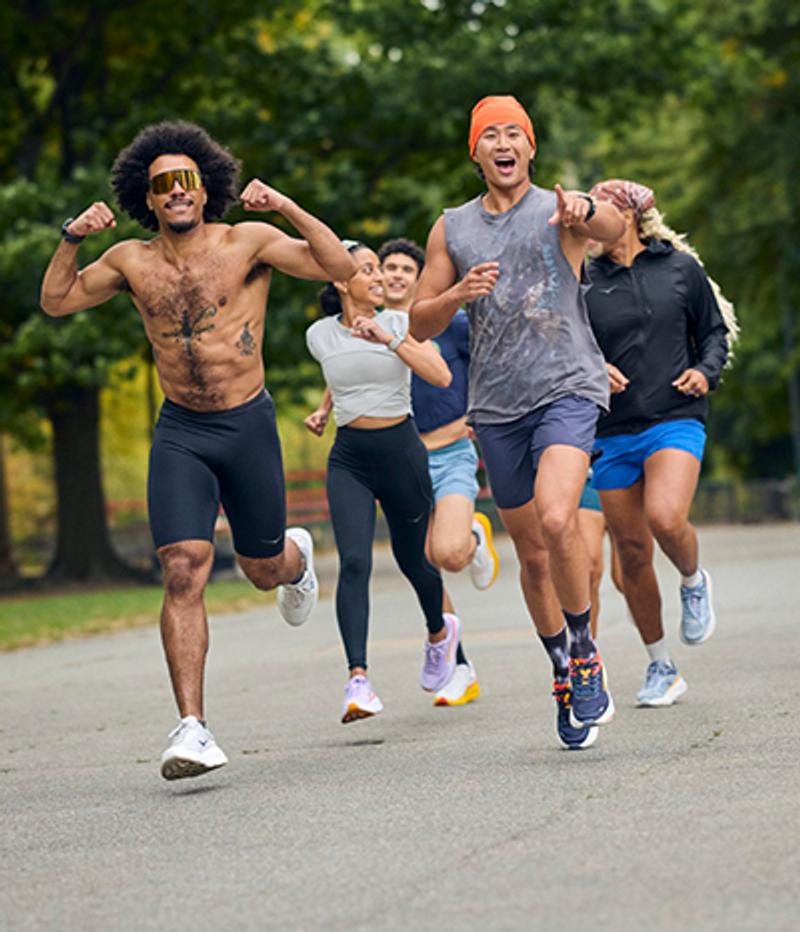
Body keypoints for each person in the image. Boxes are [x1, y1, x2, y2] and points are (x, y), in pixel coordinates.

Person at [40, 121, 357, 780]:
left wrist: (286, 205)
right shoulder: (130, 260)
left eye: (186, 179)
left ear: (206, 188)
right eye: (162, 185)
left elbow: (341, 267)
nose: (176, 191)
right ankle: (193, 727)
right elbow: (57, 301)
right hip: (182, 431)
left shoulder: (248, 242)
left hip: (247, 426)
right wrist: (72, 237)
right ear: (148, 198)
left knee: (261, 568)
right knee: (183, 568)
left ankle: (295, 560)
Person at [410, 95, 626, 750]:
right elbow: (418, 321)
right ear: (475, 152)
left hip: (567, 385)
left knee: (559, 519)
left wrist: (585, 210)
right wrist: (456, 294)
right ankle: (561, 668)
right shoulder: (452, 228)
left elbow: (614, 225)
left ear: (530, 147)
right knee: (532, 555)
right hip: (497, 405)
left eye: (514, 134)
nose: (503, 144)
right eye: (491, 136)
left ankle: (584, 650)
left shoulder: (558, 209)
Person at [585, 178, 735, 707]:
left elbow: (714, 331)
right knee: (630, 553)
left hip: (674, 415)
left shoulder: (680, 268)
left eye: (598, 210)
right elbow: (566, 346)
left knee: (666, 517)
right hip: (610, 430)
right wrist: (593, 369)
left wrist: (705, 371)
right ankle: (661, 666)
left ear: (627, 215)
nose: (590, 221)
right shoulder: (582, 280)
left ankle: (692, 580)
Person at [304, 242, 466, 723]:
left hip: (401, 454)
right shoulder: (319, 335)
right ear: (340, 279)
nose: (378, 277)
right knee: (354, 561)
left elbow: (440, 375)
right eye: (367, 269)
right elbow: (347, 371)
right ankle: (358, 680)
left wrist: (389, 340)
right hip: (350, 459)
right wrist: (324, 409)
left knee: (413, 559)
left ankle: (439, 631)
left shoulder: (402, 321)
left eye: (380, 269)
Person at [380, 237, 498, 705]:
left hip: (450, 453)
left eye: (406, 269)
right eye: (388, 267)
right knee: (425, 568)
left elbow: (491, 363)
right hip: (399, 462)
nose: (395, 275)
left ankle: (472, 537)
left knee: (447, 554)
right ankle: (459, 667)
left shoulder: (451, 324)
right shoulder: (370, 328)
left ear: (420, 278)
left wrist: (479, 413)